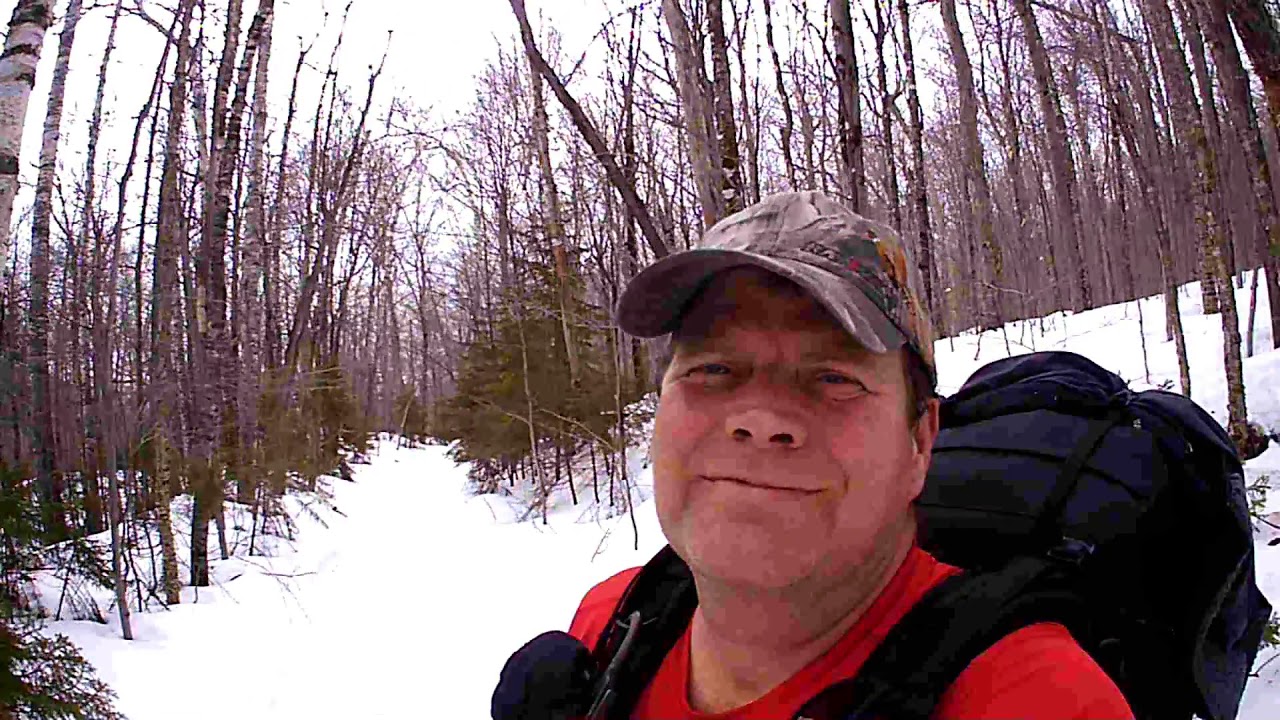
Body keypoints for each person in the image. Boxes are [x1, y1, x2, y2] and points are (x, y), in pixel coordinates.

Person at [567, 191, 1135, 719]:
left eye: (834, 378)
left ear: (919, 441)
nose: (761, 419)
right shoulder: (611, 628)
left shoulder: (1034, 698)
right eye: (713, 368)